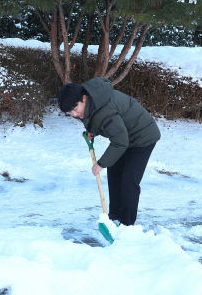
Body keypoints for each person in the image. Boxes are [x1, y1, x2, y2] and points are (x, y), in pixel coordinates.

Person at [58, 77, 161, 226]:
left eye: (75, 109)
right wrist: (93, 131)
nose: (74, 114)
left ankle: (127, 225)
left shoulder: (104, 108)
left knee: (128, 182)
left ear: (84, 98)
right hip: (125, 137)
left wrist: (101, 163)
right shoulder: (91, 102)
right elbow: (99, 121)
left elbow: (119, 140)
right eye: (70, 113)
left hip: (142, 137)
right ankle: (114, 217)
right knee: (114, 174)